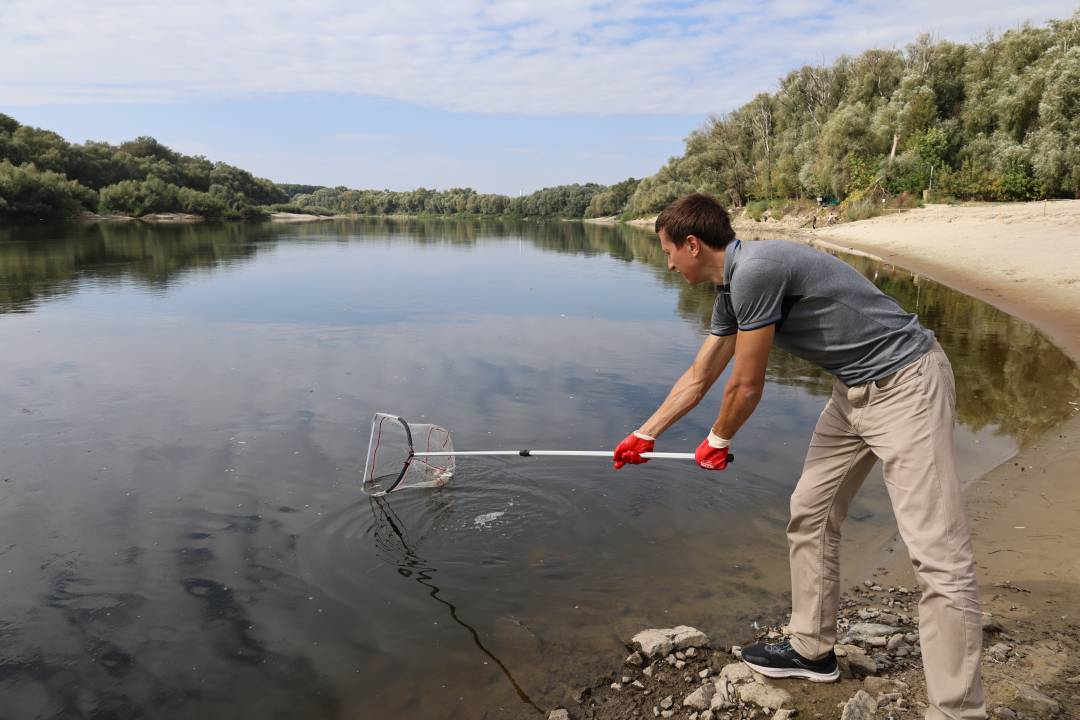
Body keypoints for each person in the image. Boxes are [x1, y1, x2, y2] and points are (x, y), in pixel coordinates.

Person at [612, 193, 985, 720]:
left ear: (693, 244)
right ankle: (811, 650)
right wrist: (643, 434)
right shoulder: (732, 287)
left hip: (906, 384)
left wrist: (718, 441)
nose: (667, 263)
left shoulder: (756, 272)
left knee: (938, 555)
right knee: (809, 512)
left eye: (669, 251)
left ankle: (958, 711)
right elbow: (700, 376)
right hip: (853, 391)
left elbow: (746, 385)